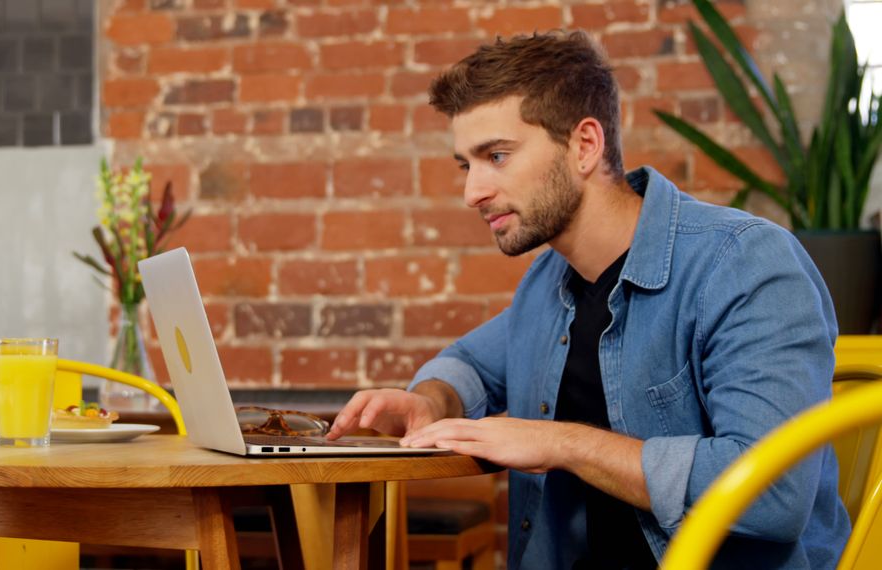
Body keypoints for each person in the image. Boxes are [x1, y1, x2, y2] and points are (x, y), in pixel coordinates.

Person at [326, 30, 850, 569]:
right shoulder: (549, 283)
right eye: (466, 164)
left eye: (497, 156)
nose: (472, 192)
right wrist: (433, 400)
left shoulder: (744, 264)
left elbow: (773, 496)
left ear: (584, 146)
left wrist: (563, 445)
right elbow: (471, 365)